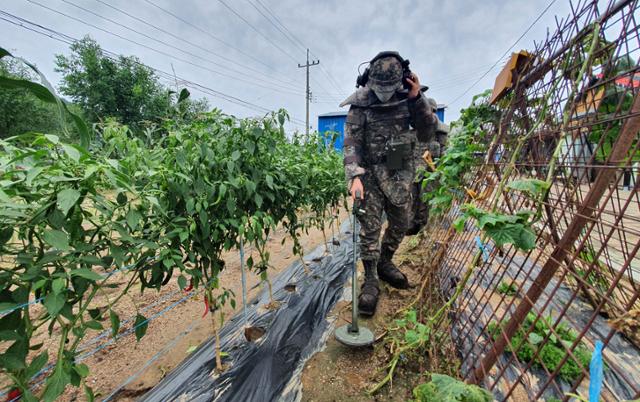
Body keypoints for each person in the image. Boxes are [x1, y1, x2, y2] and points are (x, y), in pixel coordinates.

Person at [340, 51, 438, 316]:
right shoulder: (360, 103)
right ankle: (371, 279)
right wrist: (355, 176)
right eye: (379, 88)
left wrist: (417, 99)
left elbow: (427, 131)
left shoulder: (413, 98)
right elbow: (351, 142)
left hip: (398, 168)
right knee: (369, 229)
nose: (383, 93)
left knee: (401, 222)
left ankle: (385, 261)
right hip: (369, 172)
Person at [406, 97, 449, 235]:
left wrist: (441, 171)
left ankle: (424, 227)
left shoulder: (440, 131)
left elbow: (444, 152)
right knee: (413, 199)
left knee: (426, 199)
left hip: (431, 172)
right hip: (414, 171)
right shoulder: (415, 131)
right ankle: (413, 225)